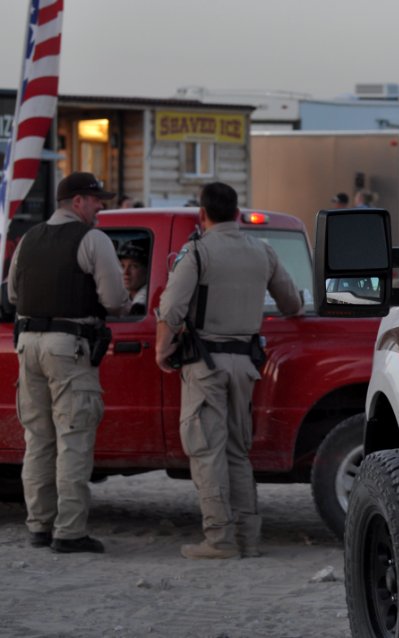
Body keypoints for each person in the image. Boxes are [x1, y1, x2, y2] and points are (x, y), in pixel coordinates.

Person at [155, 182, 302, 560]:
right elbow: (292, 303)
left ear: (202, 214)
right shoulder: (262, 252)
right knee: (238, 451)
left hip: (205, 365)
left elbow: (170, 310)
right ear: (237, 213)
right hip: (245, 365)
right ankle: (247, 538)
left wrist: (162, 351)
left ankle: (218, 539)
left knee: (206, 451)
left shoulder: (198, 254)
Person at [7, 171, 129, 554]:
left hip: (27, 344)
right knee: (74, 438)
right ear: (78, 202)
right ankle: (70, 531)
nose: (100, 206)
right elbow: (113, 300)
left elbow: (12, 294)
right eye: (96, 200)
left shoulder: (28, 239)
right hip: (69, 346)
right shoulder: (92, 239)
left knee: (38, 440)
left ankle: (39, 525)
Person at [117, 242, 148, 314]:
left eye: (134, 266)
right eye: (122, 266)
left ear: (147, 270)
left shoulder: (142, 304)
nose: (126, 272)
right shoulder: (125, 295)